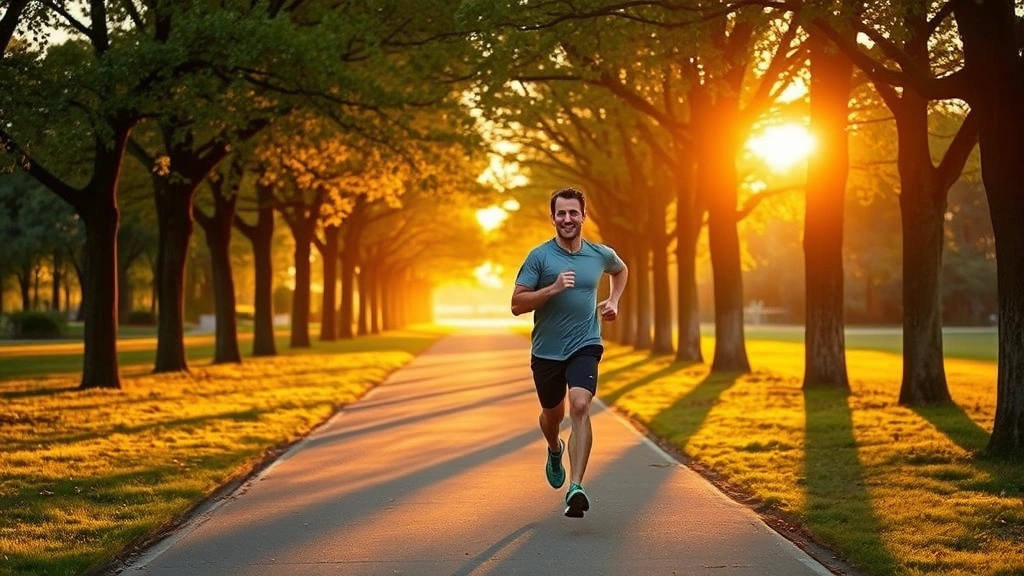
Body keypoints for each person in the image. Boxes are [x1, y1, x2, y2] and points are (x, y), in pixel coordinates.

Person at [510, 187, 628, 518]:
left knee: (580, 404)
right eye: (561, 213)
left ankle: (576, 486)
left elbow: (620, 270)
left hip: (585, 344)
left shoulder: (600, 254)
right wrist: (552, 289)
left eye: (573, 213)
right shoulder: (540, 258)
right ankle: (553, 448)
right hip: (547, 351)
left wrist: (614, 300)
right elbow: (517, 304)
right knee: (553, 416)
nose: (567, 219)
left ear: (583, 216)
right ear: (553, 218)